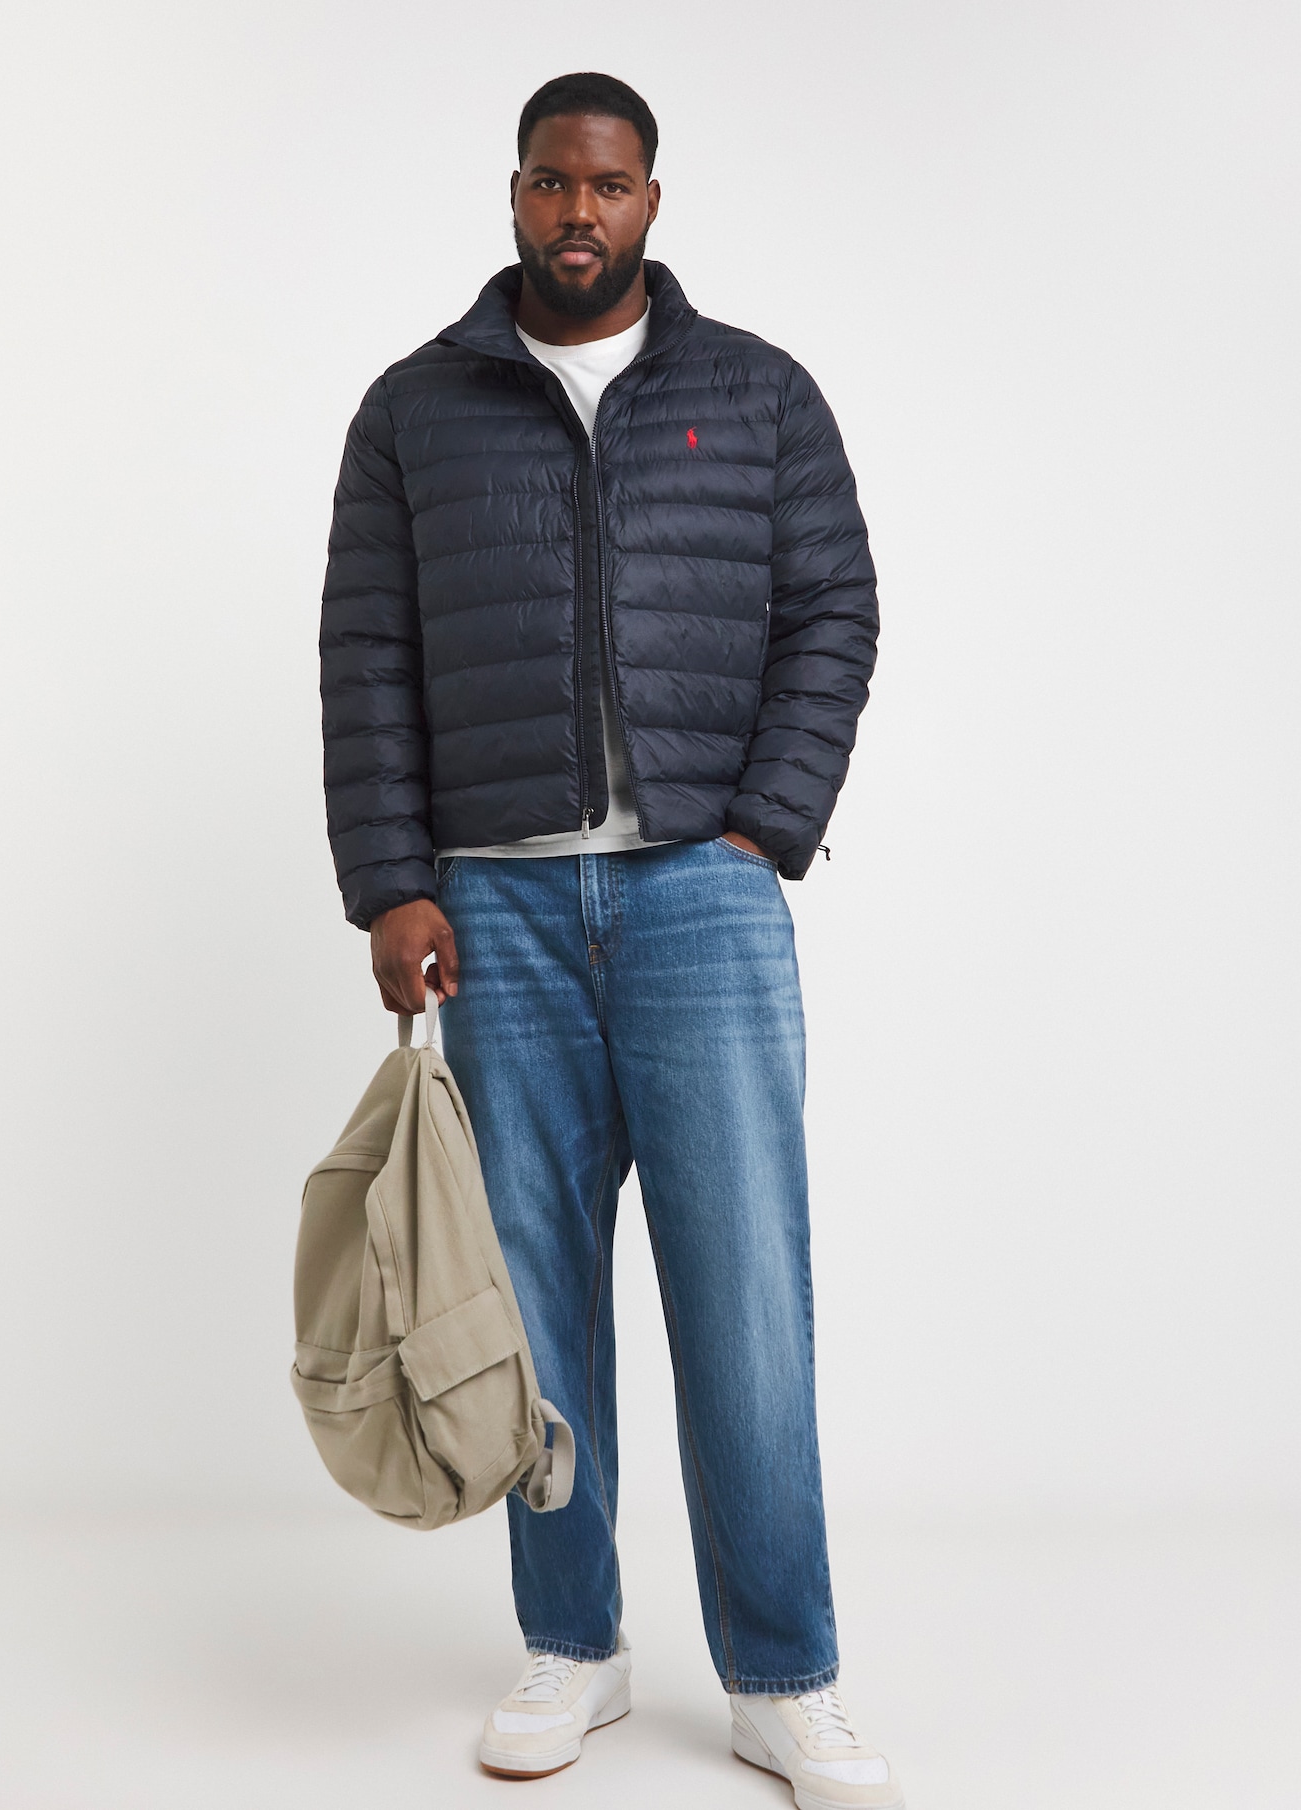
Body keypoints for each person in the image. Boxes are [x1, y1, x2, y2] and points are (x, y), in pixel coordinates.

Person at [319, 70, 901, 1810]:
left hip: (700, 903)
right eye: (552, 183)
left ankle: (784, 1676)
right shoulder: (415, 409)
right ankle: (572, 1640)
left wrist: (762, 827)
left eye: (611, 185)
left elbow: (835, 608)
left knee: (747, 1303)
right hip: (492, 906)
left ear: (653, 197)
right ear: (514, 194)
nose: (580, 212)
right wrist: (391, 880)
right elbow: (367, 652)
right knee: (530, 1304)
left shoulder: (756, 393)